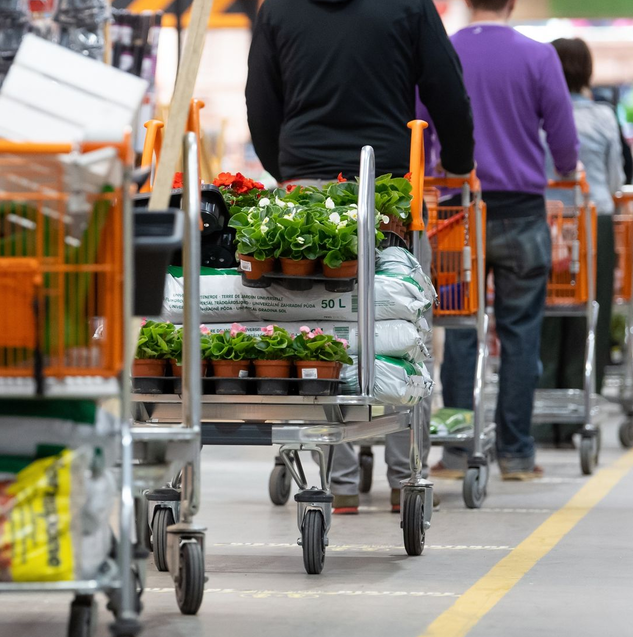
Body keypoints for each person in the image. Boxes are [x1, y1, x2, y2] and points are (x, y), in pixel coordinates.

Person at [246, 0, 475, 514]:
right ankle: (405, 474)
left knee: (320, 325)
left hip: (306, 185)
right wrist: (459, 160)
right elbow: (445, 87)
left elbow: (260, 102)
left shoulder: (277, 9)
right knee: (404, 322)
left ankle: (338, 477)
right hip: (389, 189)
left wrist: (289, 167)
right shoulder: (407, 5)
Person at [431, 0, 579, 481]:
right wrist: (567, 168)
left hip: (457, 214)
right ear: (511, 4)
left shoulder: (442, 52)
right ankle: (515, 454)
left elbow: (420, 126)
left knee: (457, 330)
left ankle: (455, 452)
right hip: (522, 213)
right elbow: (563, 139)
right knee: (520, 334)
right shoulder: (539, 57)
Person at [534, 37, 625, 447]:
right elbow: (616, 178)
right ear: (587, 72)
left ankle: (539, 415)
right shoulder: (604, 116)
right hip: (593, 220)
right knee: (591, 310)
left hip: (547, 219)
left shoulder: (537, 113)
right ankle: (579, 411)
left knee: (545, 311)